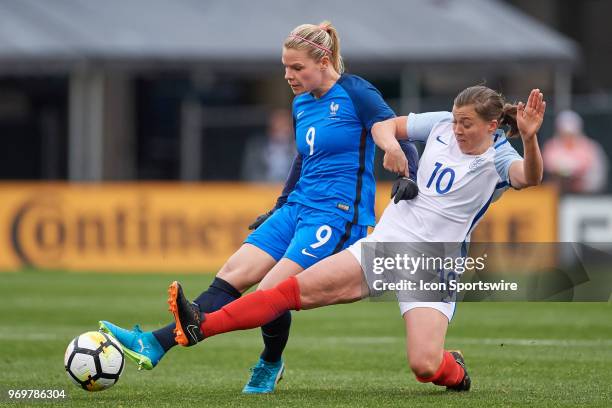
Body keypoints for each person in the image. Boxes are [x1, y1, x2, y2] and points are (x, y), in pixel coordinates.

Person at [100, 21, 419, 394]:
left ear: (324, 60)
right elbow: (303, 159)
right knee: (232, 273)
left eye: (297, 68)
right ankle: (156, 344)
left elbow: (395, 134)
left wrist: (406, 171)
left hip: (336, 214)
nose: (288, 75)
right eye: (285, 67)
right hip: (297, 207)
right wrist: (279, 206)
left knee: (270, 291)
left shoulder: (357, 92)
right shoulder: (302, 103)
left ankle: (267, 362)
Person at [166, 86, 546, 392]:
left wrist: (529, 139)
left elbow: (530, 177)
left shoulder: (498, 157)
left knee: (425, 366)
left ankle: (456, 372)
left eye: (466, 123)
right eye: (456, 120)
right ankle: (200, 324)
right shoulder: (441, 124)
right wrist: (395, 149)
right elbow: (382, 125)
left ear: (493, 125)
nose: (457, 129)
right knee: (285, 291)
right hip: (384, 246)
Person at [542, 109, 608, 193]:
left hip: (587, 195)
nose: (568, 138)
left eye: (571, 134)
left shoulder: (589, 147)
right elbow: (549, 165)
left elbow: (592, 172)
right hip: (558, 194)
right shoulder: (551, 146)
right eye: (564, 134)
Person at [241, 108, 295, 182]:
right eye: (278, 126)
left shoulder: (299, 149)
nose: (282, 130)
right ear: (270, 128)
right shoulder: (256, 146)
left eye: (285, 126)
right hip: (261, 190)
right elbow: (250, 172)